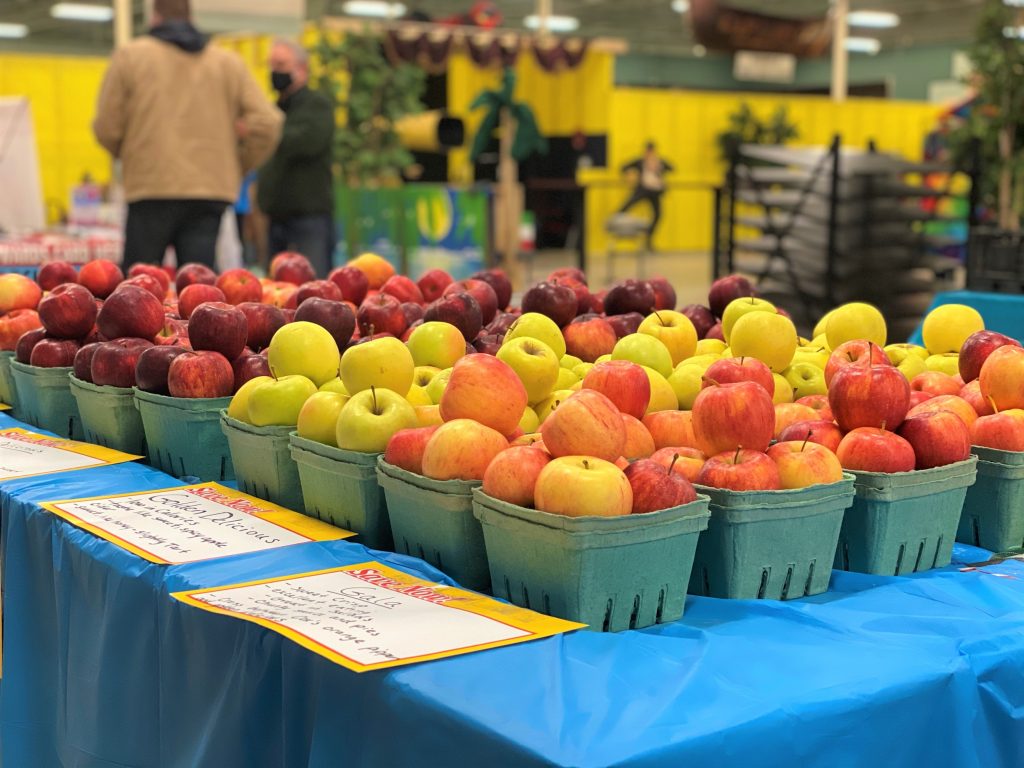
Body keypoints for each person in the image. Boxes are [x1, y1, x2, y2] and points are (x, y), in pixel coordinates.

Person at [93, 0, 282, 271]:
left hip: (150, 187)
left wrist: (133, 156)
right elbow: (268, 123)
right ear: (190, 16)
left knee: (136, 293)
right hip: (209, 191)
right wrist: (237, 164)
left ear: (155, 16)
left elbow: (106, 126)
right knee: (198, 290)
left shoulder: (130, 57)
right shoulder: (227, 63)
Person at [258, 39, 336, 277]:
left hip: (308, 218)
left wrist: (269, 131)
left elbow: (307, 142)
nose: (275, 72)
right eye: (272, 65)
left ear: (301, 69)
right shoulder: (274, 109)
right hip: (275, 217)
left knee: (313, 286)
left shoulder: (317, 105)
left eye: (281, 65)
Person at [617, 141, 674, 249]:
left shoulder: (658, 161)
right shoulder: (640, 161)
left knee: (658, 215)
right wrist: (628, 176)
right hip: (643, 190)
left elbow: (672, 167)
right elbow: (624, 167)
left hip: (655, 192)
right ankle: (616, 227)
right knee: (626, 207)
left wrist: (659, 167)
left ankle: (649, 239)